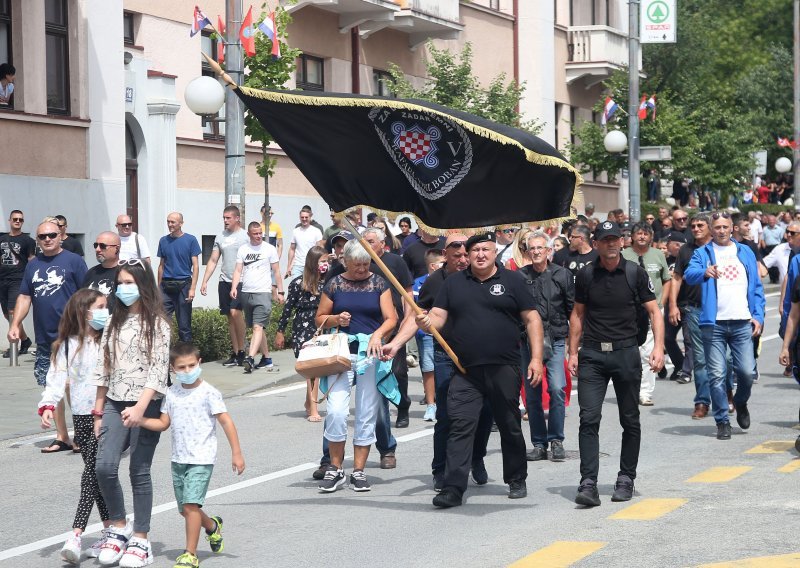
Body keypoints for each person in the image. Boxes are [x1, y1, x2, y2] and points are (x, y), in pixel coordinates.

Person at [415, 232, 545, 508]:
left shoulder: (513, 281)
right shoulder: (454, 284)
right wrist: (427, 323)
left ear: (494, 251)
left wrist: (535, 359)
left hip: (504, 367)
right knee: (460, 425)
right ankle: (453, 487)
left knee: (509, 424)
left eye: (485, 249)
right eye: (475, 251)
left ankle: (516, 478)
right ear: (468, 254)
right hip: (465, 370)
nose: (480, 255)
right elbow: (438, 316)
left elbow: (532, 319)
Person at [384, 233, 494, 492]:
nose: (463, 260)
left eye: (465, 254)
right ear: (445, 255)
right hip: (446, 355)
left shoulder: (480, 276)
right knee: (447, 415)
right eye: (456, 255)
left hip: (480, 356)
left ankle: (476, 458)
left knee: (485, 413)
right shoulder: (435, 281)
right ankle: (440, 469)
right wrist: (397, 343)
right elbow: (416, 315)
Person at [569, 221, 664, 507]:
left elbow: (653, 312)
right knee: (588, 418)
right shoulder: (586, 275)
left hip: (626, 353)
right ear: (596, 244)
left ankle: (626, 478)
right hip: (593, 355)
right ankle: (588, 483)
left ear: (621, 243)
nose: (611, 244)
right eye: (605, 240)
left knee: (629, 418)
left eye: (615, 239)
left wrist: (658, 347)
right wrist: (573, 352)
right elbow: (577, 314)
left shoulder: (634, 273)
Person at [92, 259, 171, 567]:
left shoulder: (159, 324)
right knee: (104, 467)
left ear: (143, 285)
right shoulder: (112, 321)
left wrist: (140, 408)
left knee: (139, 470)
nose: (123, 289)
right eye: (120, 283)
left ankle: (141, 538)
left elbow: (158, 371)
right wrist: (98, 412)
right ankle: (119, 528)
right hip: (113, 400)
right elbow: (103, 367)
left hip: (146, 403)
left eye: (129, 283)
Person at [139, 342, 245, 568]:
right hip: (179, 459)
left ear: (199, 363)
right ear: (172, 369)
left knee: (190, 507)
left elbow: (226, 421)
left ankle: (191, 554)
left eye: (191, 366)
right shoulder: (171, 393)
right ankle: (213, 527)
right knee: (186, 510)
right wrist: (140, 420)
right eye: (181, 367)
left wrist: (237, 453)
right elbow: (163, 423)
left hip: (201, 459)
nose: (187, 371)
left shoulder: (209, 393)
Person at [315, 240, 399, 493]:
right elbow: (319, 318)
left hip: (369, 355)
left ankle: (359, 471)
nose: (362, 269)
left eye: (366, 264)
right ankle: (336, 467)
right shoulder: (335, 283)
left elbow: (391, 318)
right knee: (337, 411)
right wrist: (336, 318)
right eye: (357, 265)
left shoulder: (379, 283)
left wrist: (377, 335)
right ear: (346, 262)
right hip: (340, 354)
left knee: (366, 413)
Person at [38, 289, 112, 564]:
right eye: (101, 307)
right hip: (83, 413)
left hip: (110, 412)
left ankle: (76, 534)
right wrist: (47, 405)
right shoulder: (67, 345)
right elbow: (56, 376)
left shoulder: (111, 338)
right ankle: (109, 530)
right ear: (84, 312)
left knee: (95, 470)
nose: (106, 311)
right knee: (96, 471)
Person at [684, 211, 765, 440]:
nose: (721, 231)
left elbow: (757, 287)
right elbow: (689, 275)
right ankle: (722, 420)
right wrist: (704, 272)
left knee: (747, 372)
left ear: (732, 228)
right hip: (714, 325)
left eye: (725, 227)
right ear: (711, 228)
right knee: (717, 374)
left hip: (742, 322)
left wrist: (757, 316)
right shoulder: (703, 253)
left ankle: (740, 401)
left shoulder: (745, 251)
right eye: (717, 227)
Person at [8, 219, 87, 453]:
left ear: (60, 235)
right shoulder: (33, 265)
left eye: (52, 235)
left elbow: (87, 296)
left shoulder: (74, 261)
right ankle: (62, 435)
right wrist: (15, 324)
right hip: (45, 339)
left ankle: (81, 435)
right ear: (37, 240)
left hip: (72, 336)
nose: (48, 239)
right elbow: (24, 296)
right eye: (42, 237)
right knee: (52, 388)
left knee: (73, 386)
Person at [520, 232, 573, 462]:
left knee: (557, 388)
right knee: (531, 393)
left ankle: (556, 440)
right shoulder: (520, 276)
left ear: (549, 250)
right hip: (528, 342)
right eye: (532, 248)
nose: (537, 252)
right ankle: (539, 443)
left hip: (557, 338)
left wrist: (575, 346)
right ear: (527, 251)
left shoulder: (562, 275)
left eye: (541, 247)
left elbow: (573, 310)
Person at [276, 246, 329, 422]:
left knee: (317, 368)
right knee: (311, 368)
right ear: (313, 263)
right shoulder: (298, 283)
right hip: (303, 327)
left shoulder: (330, 282)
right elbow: (288, 309)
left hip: (322, 325)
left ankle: (309, 402)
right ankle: (314, 408)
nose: (326, 265)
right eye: (322, 261)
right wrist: (280, 331)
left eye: (327, 261)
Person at [621, 222, 671, 406]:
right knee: (631, 350)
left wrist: (662, 303)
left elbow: (667, 280)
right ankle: (629, 388)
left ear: (651, 237)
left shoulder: (658, 255)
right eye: (639, 234)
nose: (642, 237)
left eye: (645, 234)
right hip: (629, 309)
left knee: (649, 351)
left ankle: (645, 391)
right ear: (632, 237)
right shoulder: (623, 255)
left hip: (653, 309)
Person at [669, 214, 712, 418]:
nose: (695, 228)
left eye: (700, 225)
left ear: (709, 227)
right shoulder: (686, 250)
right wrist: (673, 305)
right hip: (694, 310)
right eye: (693, 226)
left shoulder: (721, 248)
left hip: (722, 311)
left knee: (727, 359)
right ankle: (702, 402)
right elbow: (676, 278)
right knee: (700, 358)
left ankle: (727, 393)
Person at [199, 206, 250, 367]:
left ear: (237, 218)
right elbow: (213, 260)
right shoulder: (220, 236)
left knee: (236, 313)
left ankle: (243, 350)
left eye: (228, 218)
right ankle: (235, 353)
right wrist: (205, 280)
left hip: (241, 281)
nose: (225, 221)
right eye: (224, 218)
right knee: (229, 315)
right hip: (224, 280)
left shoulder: (245, 236)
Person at [231, 222, 283, 373]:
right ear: (249, 234)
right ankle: (266, 358)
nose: (259, 236)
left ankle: (250, 357)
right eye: (255, 233)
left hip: (263, 292)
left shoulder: (269, 249)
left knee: (257, 326)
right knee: (257, 328)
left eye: (260, 233)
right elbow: (238, 270)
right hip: (246, 292)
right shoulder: (243, 249)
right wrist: (234, 287)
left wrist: (280, 291)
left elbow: (277, 271)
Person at [157, 212, 201, 342]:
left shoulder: (190, 240)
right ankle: (164, 355)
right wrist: (158, 287)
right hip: (166, 285)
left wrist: (192, 288)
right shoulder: (163, 240)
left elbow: (196, 266)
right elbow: (161, 265)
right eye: (168, 221)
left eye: (173, 222)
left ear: (181, 223)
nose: (170, 224)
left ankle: (186, 356)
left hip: (184, 285)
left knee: (184, 325)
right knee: (162, 323)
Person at [412, 248, 444, 422]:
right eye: (441, 263)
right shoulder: (419, 283)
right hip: (426, 334)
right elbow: (416, 309)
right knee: (428, 369)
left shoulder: (450, 280)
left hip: (446, 332)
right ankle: (431, 404)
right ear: (433, 266)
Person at [0, 209, 35, 357]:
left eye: (20, 219)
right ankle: (25, 340)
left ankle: (13, 349)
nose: (17, 221)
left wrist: (31, 281)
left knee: (13, 312)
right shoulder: (2, 239)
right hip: (2, 280)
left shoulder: (28, 241)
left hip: (18, 279)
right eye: (15, 219)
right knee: (7, 315)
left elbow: (32, 261)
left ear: (23, 222)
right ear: (10, 220)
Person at [82, 232, 121, 312]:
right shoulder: (91, 273)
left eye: (103, 246)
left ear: (116, 249)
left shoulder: (125, 273)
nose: (97, 249)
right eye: (96, 245)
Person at [286, 208, 323, 279]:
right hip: (297, 265)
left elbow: (320, 249)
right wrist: (289, 266)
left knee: (309, 288)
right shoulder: (295, 231)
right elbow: (292, 249)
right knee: (296, 287)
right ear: (299, 217)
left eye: (306, 217)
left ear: (310, 217)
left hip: (311, 265)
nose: (304, 219)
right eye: (302, 217)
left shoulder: (316, 231)